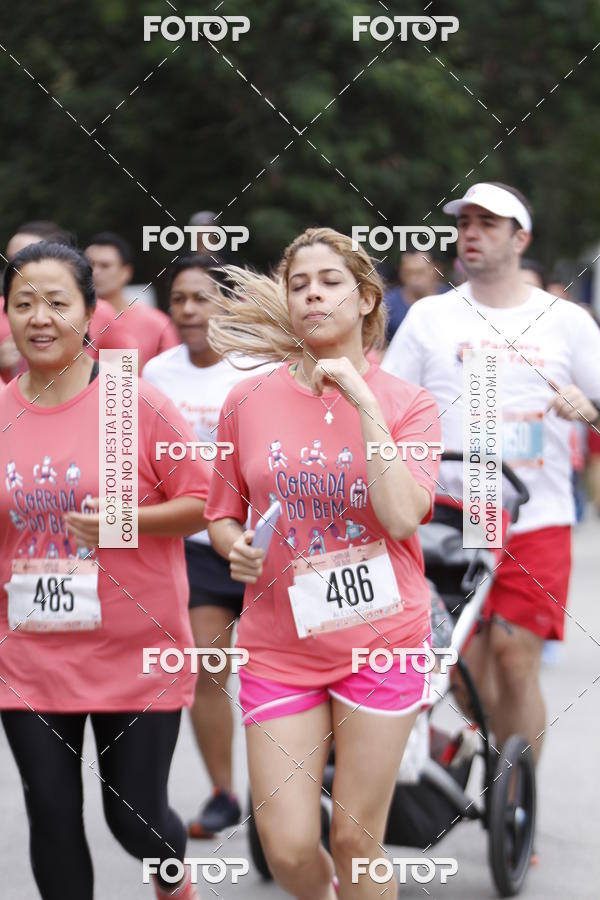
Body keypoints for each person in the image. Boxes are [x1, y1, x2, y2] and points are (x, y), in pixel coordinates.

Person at [205, 227, 441, 899]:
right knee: (286, 847)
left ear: (367, 299)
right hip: (278, 644)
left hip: (383, 640)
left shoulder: (408, 404)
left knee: (355, 840)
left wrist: (363, 401)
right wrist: (234, 548)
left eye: (330, 282)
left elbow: (401, 516)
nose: (313, 294)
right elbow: (222, 512)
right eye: (299, 283)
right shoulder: (246, 401)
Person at [0, 241, 210, 899]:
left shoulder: (133, 401)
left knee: (135, 821)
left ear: (91, 311)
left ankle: (174, 883)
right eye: (23, 303)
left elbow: (203, 503)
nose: (40, 318)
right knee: (53, 818)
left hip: (137, 651)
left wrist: (129, 521)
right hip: (30, 655)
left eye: (57, 302)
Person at [383, 181, 600, 769]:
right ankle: (487, 756)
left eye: (488, 223)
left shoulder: (566, 323)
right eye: (465, 222)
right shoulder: (430, 317)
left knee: (514, 657)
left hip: (537, 516)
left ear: (520, 237)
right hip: (450, 518)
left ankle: (515, 799)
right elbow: (386, 404)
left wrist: (589, 407)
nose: (471, 233)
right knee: (460, 670)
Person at [142, 255, 276, 838]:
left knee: (277, 671)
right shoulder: (154, 376)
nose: (190, 310)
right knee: (207, 664)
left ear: (227, 306)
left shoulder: (262, 369)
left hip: (268, 542)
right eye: (179, 300)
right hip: (200, 545)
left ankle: (294, 786)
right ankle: (225, 792)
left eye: (202, 298)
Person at [85, 231, 179, 367]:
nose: (95, 272)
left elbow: (172, 374)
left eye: (105, 265)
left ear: (126, 272)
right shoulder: (70, 320)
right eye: (89, 265)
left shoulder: (157, 323)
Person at [1, 221, 73, 382]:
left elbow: (124, 381)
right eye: (10, 260)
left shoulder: (94, 310)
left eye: (23, 259)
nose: (14, 268)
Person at [383, 248, 445, 342]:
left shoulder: (452, 299)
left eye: (420, 272)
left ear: (436, 270)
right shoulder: (387, 305)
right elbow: (377, 348)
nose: (414, 278)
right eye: (408, 273)